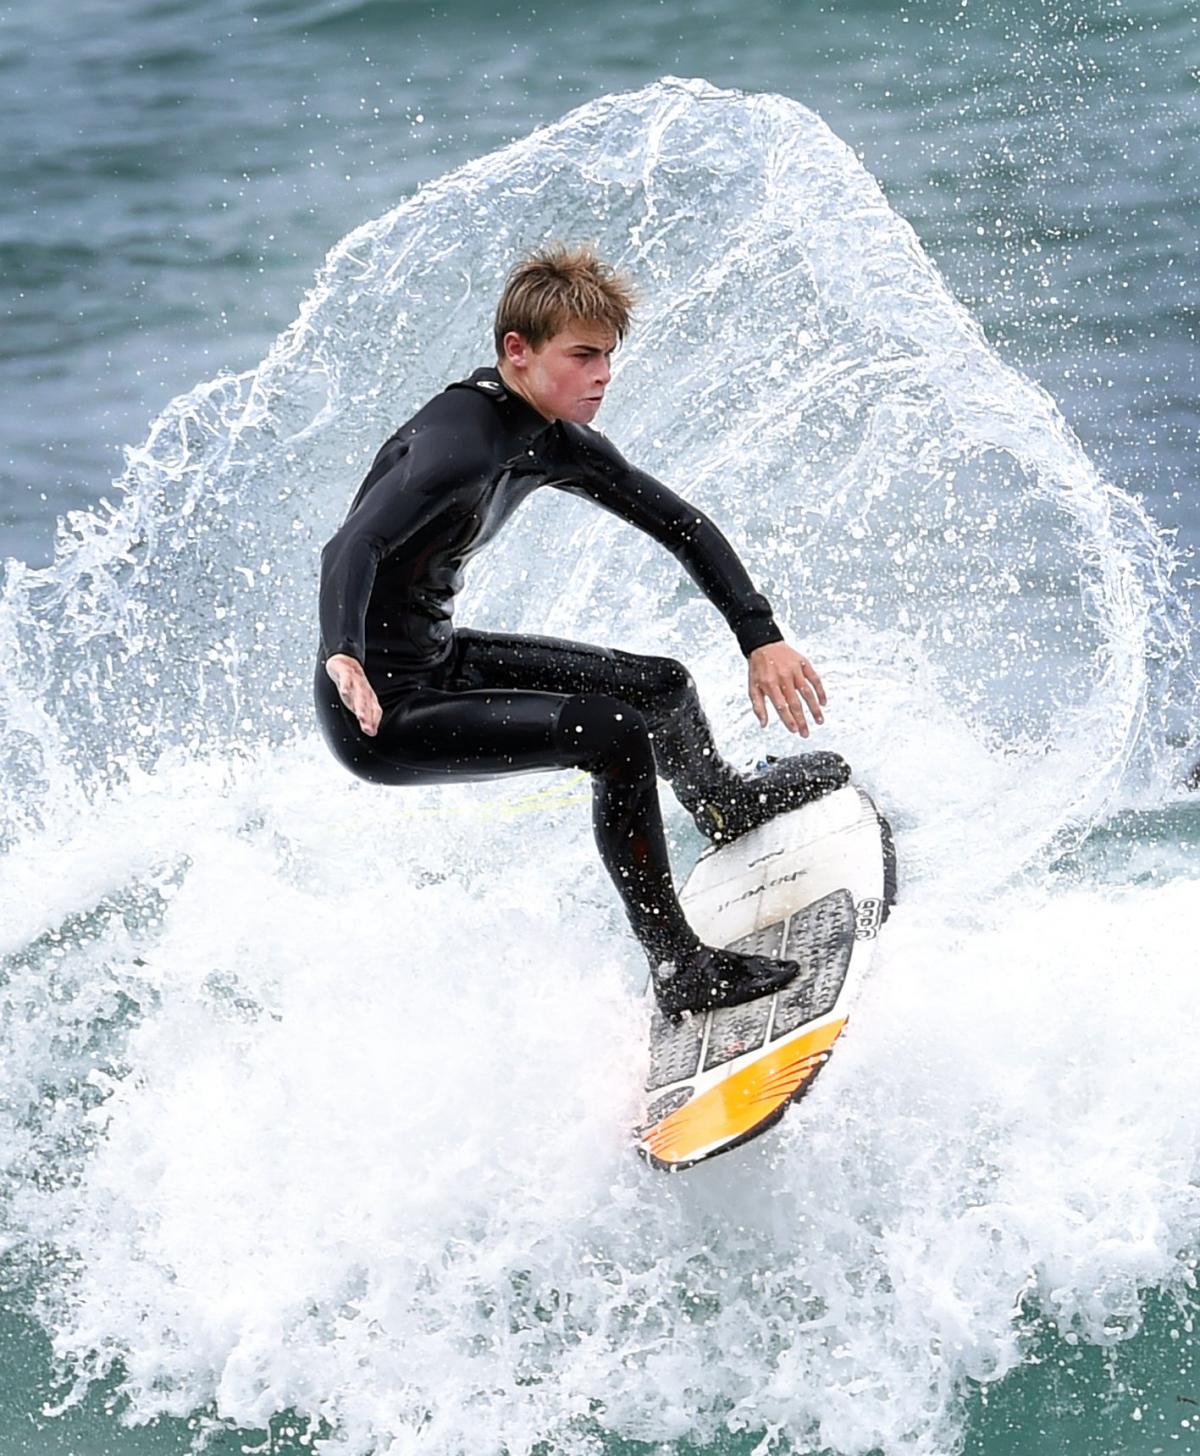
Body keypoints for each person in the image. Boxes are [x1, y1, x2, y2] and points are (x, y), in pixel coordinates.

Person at [315, 243, 849, 1017]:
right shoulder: (460, 445)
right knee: (616, 736)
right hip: (381, 711)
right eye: (584, 356)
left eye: (608, 356)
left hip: (438, 663)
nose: (603, 374)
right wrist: (344, 654)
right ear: (517, 352)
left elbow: (679, 523)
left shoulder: (545, 437)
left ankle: (723, 804)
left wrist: (759, 635)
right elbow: (351, 544)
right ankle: (680, 969)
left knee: (660, 688)